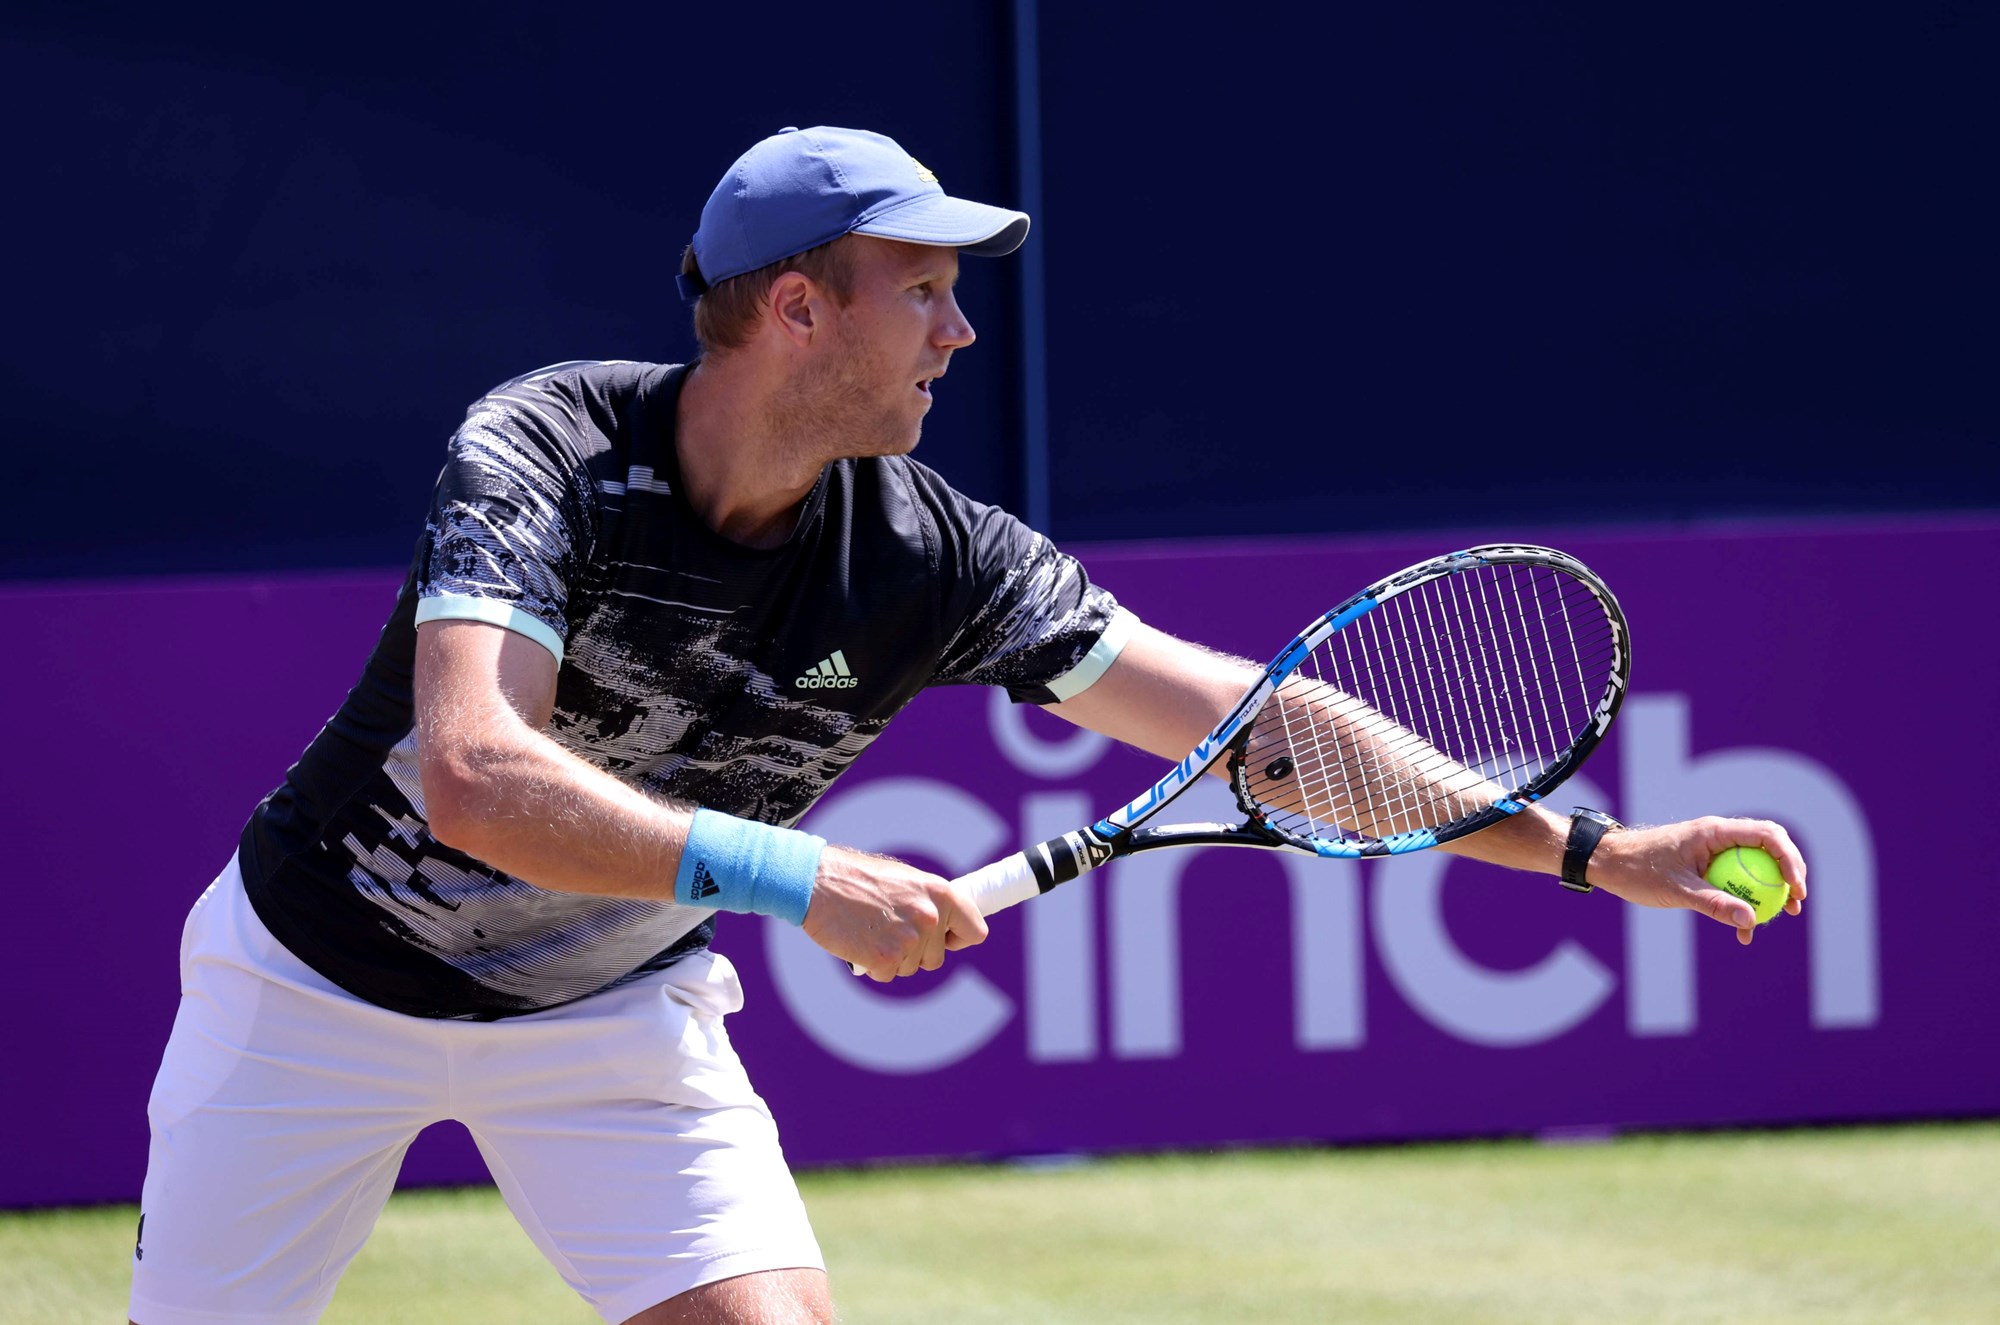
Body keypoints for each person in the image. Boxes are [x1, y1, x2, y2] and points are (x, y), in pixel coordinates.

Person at [129, 124, 1808, 1325]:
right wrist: (796, 877)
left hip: (607, 1017)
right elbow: (480, 778)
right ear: (798, 308)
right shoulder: (547, 453)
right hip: (312, 983)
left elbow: (1260, 729)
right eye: (922, 290)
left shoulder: (932, 551)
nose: (961, 328)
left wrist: (1595, 852)